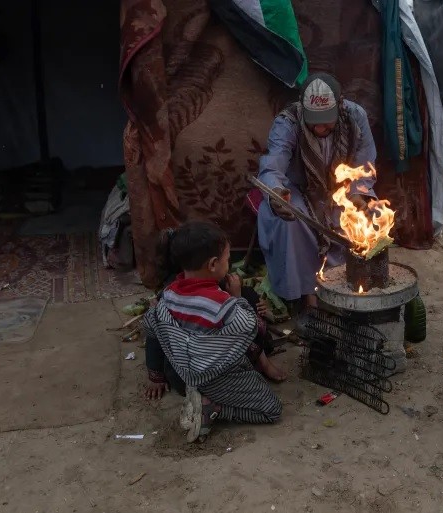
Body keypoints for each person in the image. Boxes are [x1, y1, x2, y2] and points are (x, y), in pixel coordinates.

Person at [142, 221, 284, 442]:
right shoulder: (221, 304)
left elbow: (151, 326)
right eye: (227, 260)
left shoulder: (167, 296)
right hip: (216, 376)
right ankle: (214, 407)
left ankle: (204, 398)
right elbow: (249, 327)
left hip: (184, 374)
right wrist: (237, 298)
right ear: (213, 264)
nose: (229, 265)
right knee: (271, 409)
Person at [256, 72, 377, 309]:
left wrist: (356, 194)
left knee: (367, 216)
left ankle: (349, 283)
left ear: (340, 105)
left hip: (343, 189)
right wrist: (277, 193)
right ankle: (306, 297)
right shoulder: (288, 122)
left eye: (326, 119)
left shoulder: (355, 116)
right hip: (300, 189)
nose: (320, 127)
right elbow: (273, 166)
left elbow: (364, 163)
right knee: (291, 221)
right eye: (314, 120)